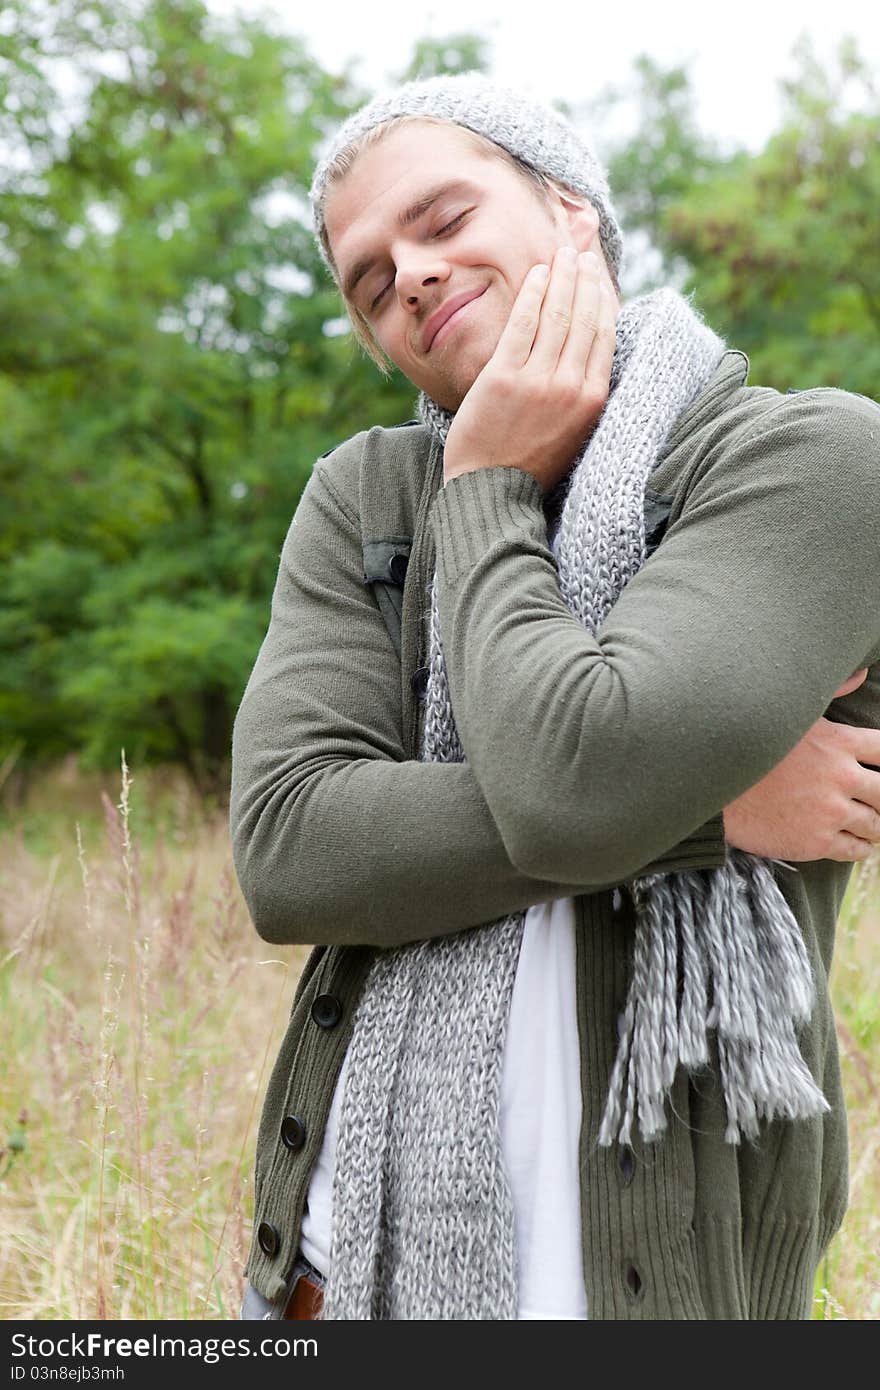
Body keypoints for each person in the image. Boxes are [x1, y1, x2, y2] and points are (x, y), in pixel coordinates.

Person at [231, 73, 880, 1321]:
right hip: (336, 1273)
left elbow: (578, 789)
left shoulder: (810, 459)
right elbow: (290, 848)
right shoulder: (364, 496)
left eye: (443, 217)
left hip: (653, 1285)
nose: (409, 273)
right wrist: (706, 815)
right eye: (370, 279)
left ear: (572, 212)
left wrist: (480, 483)